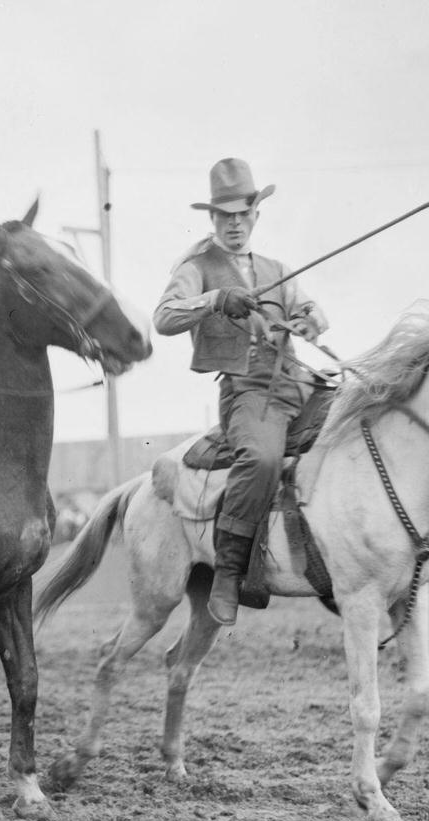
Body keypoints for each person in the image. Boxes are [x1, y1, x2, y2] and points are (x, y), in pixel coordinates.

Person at [154, 158, 330, 625]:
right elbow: (165, 317)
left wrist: (304, 321)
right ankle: (230, 570)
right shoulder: (197, 266)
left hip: (297, 379)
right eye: (224, 216)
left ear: (256, 216)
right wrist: (215, 299)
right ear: (212, 219)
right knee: (264, 459)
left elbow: (315, 313)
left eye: (242, 215)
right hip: (247, 390)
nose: (234, 225)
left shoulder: (276, 268)